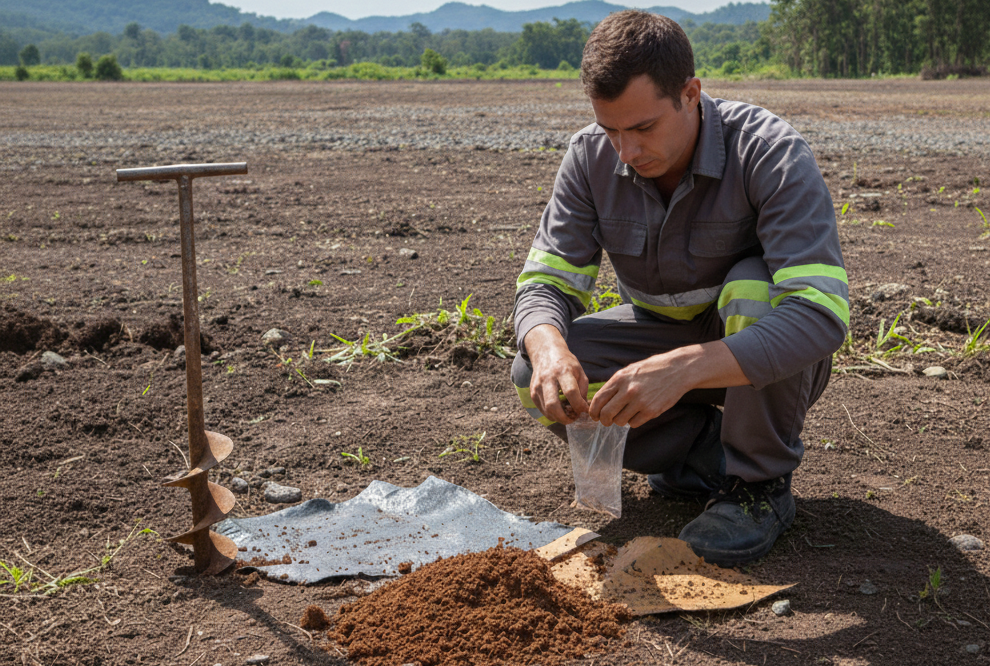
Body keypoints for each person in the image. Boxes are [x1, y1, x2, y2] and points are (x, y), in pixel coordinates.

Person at [510, 10, 848, 566]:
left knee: (752, 289)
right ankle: (704, 459)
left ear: (691, 93)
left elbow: (819, 313)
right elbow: (546, 281)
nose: (626, 151)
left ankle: (757, 487)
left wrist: (684, 367)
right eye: (610, 129)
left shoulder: (769, 151)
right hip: (656, 338)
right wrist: (549, 349)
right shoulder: (588, 158)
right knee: (532, 374)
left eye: (642, 128)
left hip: (757, 360)